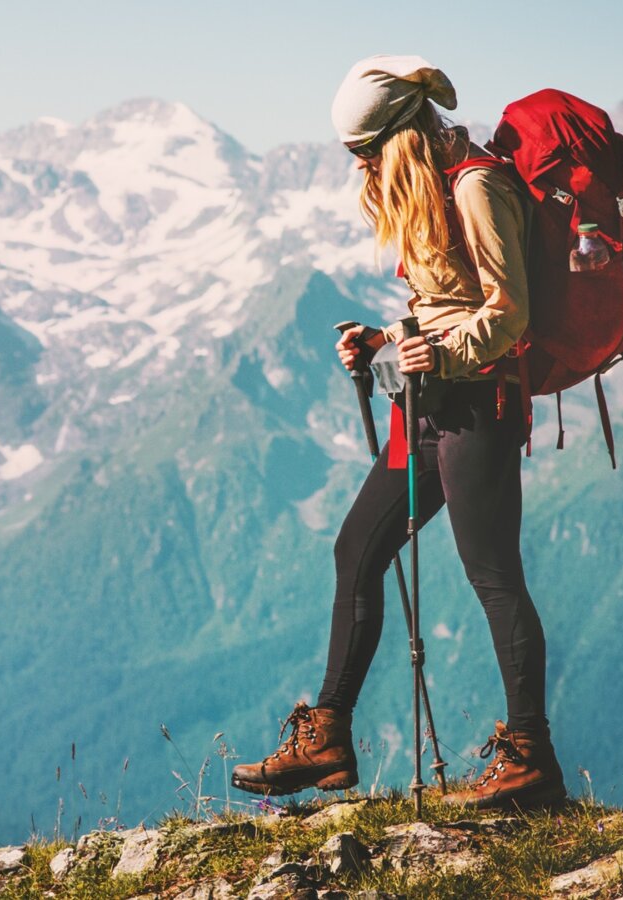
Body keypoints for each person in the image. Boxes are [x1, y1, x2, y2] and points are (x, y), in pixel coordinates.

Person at [230, 55, 565, 810]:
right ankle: (328, 739)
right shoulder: (432, 188)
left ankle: (531, 759)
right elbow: (449, 299)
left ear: (400, 137)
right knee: (357, 548)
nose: (364, 171)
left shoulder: (476, 186)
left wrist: (438, 352)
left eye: (369, 154)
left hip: (479, 408)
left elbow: (511, 313)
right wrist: (385, 337)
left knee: (493, 576)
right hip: (429, 401)